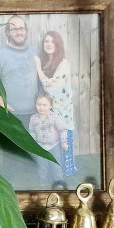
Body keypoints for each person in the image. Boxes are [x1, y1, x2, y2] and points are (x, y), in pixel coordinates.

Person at [0, 15, 42, 187]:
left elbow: (43, 79)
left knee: (33, 154)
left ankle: (35, 188)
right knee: (10, 154)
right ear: (8, 32)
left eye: (21, 28)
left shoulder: (35, 52)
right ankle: (7, 189)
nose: (18, 32)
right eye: (14, 28)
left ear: (26, 31)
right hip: (10, 113)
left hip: (34, 112)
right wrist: (1, 103)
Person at [34, 30, 78, 176]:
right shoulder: (45, 61)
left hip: (62, 112)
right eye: (46, 41)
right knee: (49, 143)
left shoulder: (63, 64)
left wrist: (38, 68)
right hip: (46, 111)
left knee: (64, 143)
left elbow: (53, 87)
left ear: (58, 45)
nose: (49, 44)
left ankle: (66, 173)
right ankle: (50, 171)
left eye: (53, 41)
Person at [28, 93, 67, 188]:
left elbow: (62, 131)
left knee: (56, 165)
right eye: (39, 104)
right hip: (40, 147)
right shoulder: (33, 118)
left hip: (54, 146)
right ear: (35, 105)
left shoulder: (55, 118)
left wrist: (64, 143)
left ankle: (59, 182)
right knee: (42, 166)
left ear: (50, 106)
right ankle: (43, 183)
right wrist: (32, 145)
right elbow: (32, 132)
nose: (41, 107)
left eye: (44, 105)